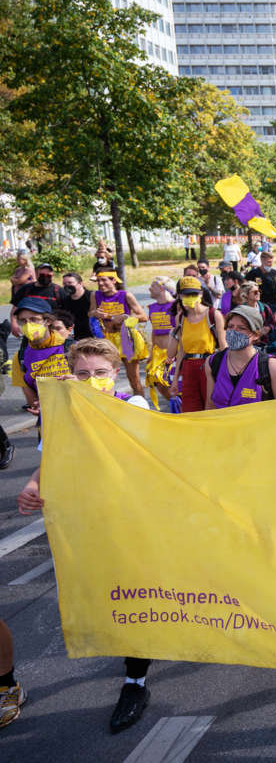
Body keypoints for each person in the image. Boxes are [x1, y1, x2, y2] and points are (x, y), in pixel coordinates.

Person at [17, 337, 154, 733]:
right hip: (89, 519)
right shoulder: (63, 413)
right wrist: (31, 484)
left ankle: (135, 681)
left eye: (100, 373)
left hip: (136, 517)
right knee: (107, 593)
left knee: (138, 593)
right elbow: (52, 460)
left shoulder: (135, 405)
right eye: (82, 374)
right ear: (71, 376)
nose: (92, 380)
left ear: (115, 374)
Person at [204, 305, 276, 409]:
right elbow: (210, 405)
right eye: (230, 326)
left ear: (256, 335)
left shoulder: (272, 367)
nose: (234, 331)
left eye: (242, 328)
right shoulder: (213, 362)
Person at [169, 276, 225, 413]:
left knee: (211, 408)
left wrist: (224, 377)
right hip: (188, 368)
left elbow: (224, 347)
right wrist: (175, 379)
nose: (190, 297)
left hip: (208, 366)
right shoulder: (181, 318)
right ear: (180, 296)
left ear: (201, 294)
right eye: (186, 294)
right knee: (190, 411)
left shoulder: (213, 315)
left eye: (194, 294)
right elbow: (181, 350)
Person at [89, 270, 149, 398]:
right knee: (103, 376)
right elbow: (90, 312)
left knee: (133, 378)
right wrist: (95, 313)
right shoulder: (95, 295)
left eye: (104, 280)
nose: (100, 283)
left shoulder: (126, 295)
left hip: (125, 338)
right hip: (106, 338)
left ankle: (141, 406)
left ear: (114, 281)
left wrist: (124, 317)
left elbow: (143, 317)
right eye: (98, 281)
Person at [145, 277, 177, 410]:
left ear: (162, 288)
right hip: (158, 353)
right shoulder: (152, 308)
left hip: (173, 352)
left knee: (173, 385)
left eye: (153, 285)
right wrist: (152, 353)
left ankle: (180, 408)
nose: (149, 288)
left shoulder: (175, 306)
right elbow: (154, 331)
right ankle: (175, 405)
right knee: (158, 382)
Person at [61, 271, 95, 339]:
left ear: (81, 284)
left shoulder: (92, 296)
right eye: (64, 284)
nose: (67, 285)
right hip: (74, 338)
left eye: (70, 283)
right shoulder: (65, 300)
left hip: (93, 336)